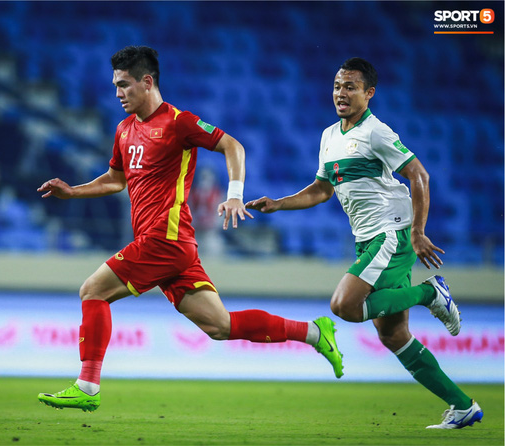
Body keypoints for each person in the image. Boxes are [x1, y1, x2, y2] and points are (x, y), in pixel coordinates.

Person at [36, 46, 344, 412]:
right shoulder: (124, 130)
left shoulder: (178, 123)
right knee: (220, 326)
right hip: (171, 246)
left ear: (147, 82)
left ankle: (87, 386)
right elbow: (115, 180)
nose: (118, 93)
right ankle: (314, 332)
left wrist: (234, 195)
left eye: (124, 85)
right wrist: (74, 191)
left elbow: (233, 146)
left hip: (164, 240)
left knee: (92, 291)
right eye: (115, 86)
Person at [246, 57, 482, 430]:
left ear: (369, 94)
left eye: (350, 87)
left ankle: (430, 294)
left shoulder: (376, 132)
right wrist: (279, 203)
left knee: (343, 304)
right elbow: (322, 190)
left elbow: (419, 174)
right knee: (394, 334)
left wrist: (418, 232)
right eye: (338, 86)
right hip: (368, 238)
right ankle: (462, 405)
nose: (341, 93)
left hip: (390, 232)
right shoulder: (329, 136)